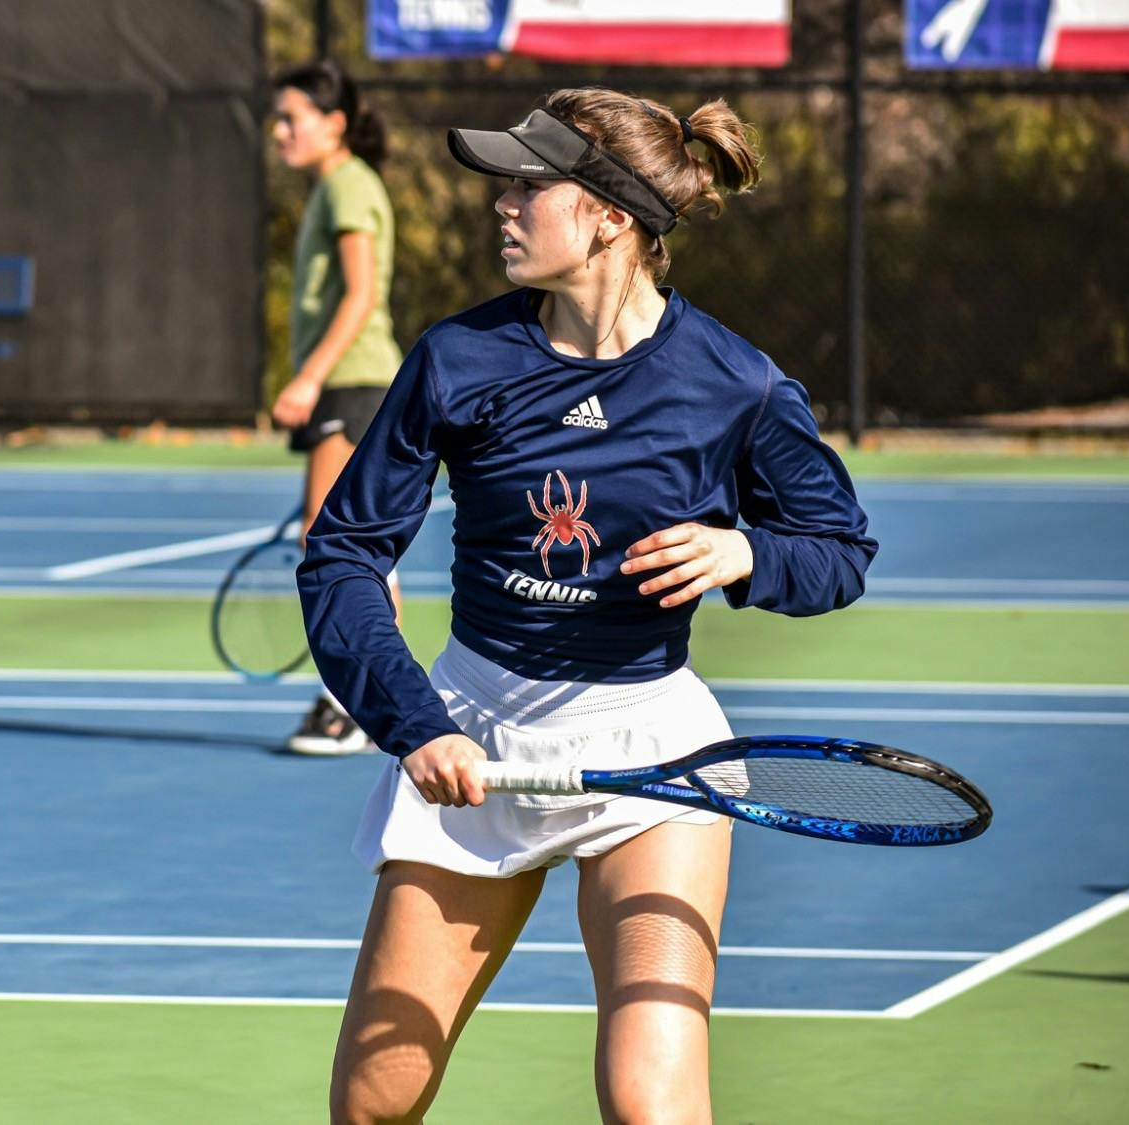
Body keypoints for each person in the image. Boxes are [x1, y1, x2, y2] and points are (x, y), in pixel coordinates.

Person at [297, 88, 878, 1123]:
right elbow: (341, 556)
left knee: (646, 1103)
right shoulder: (456, 360)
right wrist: (412, 725)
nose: (501, 206)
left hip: (654, 758)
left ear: (610, 215)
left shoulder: (731, 382)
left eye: (529, 185)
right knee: (374, 1105)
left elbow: (836, 550)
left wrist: (744, 551)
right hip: (471, 736)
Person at [269, 60, 407, 756]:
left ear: (334, 124)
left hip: (354, 384)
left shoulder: (349, 186)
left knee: (337, 546)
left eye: (292, 118)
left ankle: (355, 699)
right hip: (348, 385)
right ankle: (378, 692)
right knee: (349, 543)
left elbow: (358, 296)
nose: (280, 131)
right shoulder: (336, 187)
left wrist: (307, 379)